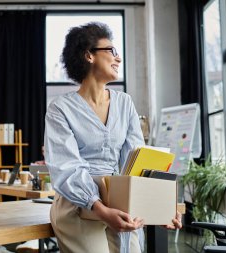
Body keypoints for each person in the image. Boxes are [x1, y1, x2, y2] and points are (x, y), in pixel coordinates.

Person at [44, 22, 182, 253]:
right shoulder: (60, 108)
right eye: (112, 51)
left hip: (120, 199)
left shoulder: (125, 102)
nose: (118, 59)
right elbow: (66, 168)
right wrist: (100, 209)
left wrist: (158, 207)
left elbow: (138, 162)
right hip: (79, 203)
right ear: (89, 55)